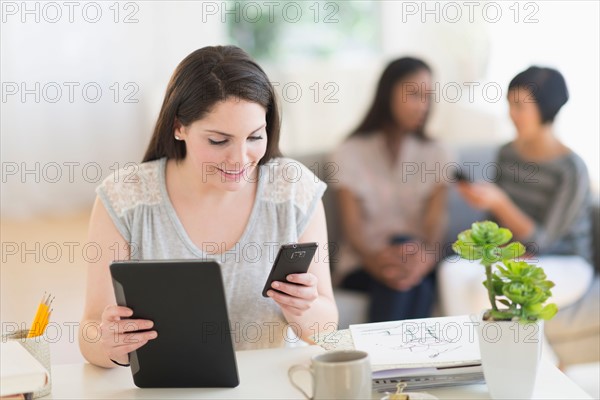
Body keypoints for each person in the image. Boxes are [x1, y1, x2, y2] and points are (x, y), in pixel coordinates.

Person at [78, 45, 338, 368]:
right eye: (219, 141)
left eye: (255, 137)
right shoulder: (124, 198)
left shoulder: (294, 189)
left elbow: (326, 327)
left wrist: (303, 309)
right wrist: (111, 345)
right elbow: (90, 333)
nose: (240, 159)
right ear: (179, 127)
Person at [439, 66, 594, 318]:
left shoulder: (571, 169)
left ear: (545, 110)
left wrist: (501, 203)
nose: (511, 114)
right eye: (509, 104)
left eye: (520, 107)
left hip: (565, 261)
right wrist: (484, 204)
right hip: (516, 254)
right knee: (451, 270)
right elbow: (494, 223)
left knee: (487, 290)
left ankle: (507, 354)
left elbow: (543, 241)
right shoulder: (507, 153)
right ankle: (467, 353)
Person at [330, 57, 450, 322]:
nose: (423, 105)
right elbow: (353, 229)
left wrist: (421, 262)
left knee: (414, 279)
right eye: (414, 94)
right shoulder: (349, 152)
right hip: (364, 264)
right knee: (412, 285)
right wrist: (379, 263)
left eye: (428, 96)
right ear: (388, 93)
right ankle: (406, 361)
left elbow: (434, 227)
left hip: (418, 263)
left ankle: (380, 360)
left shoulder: (437, 153)